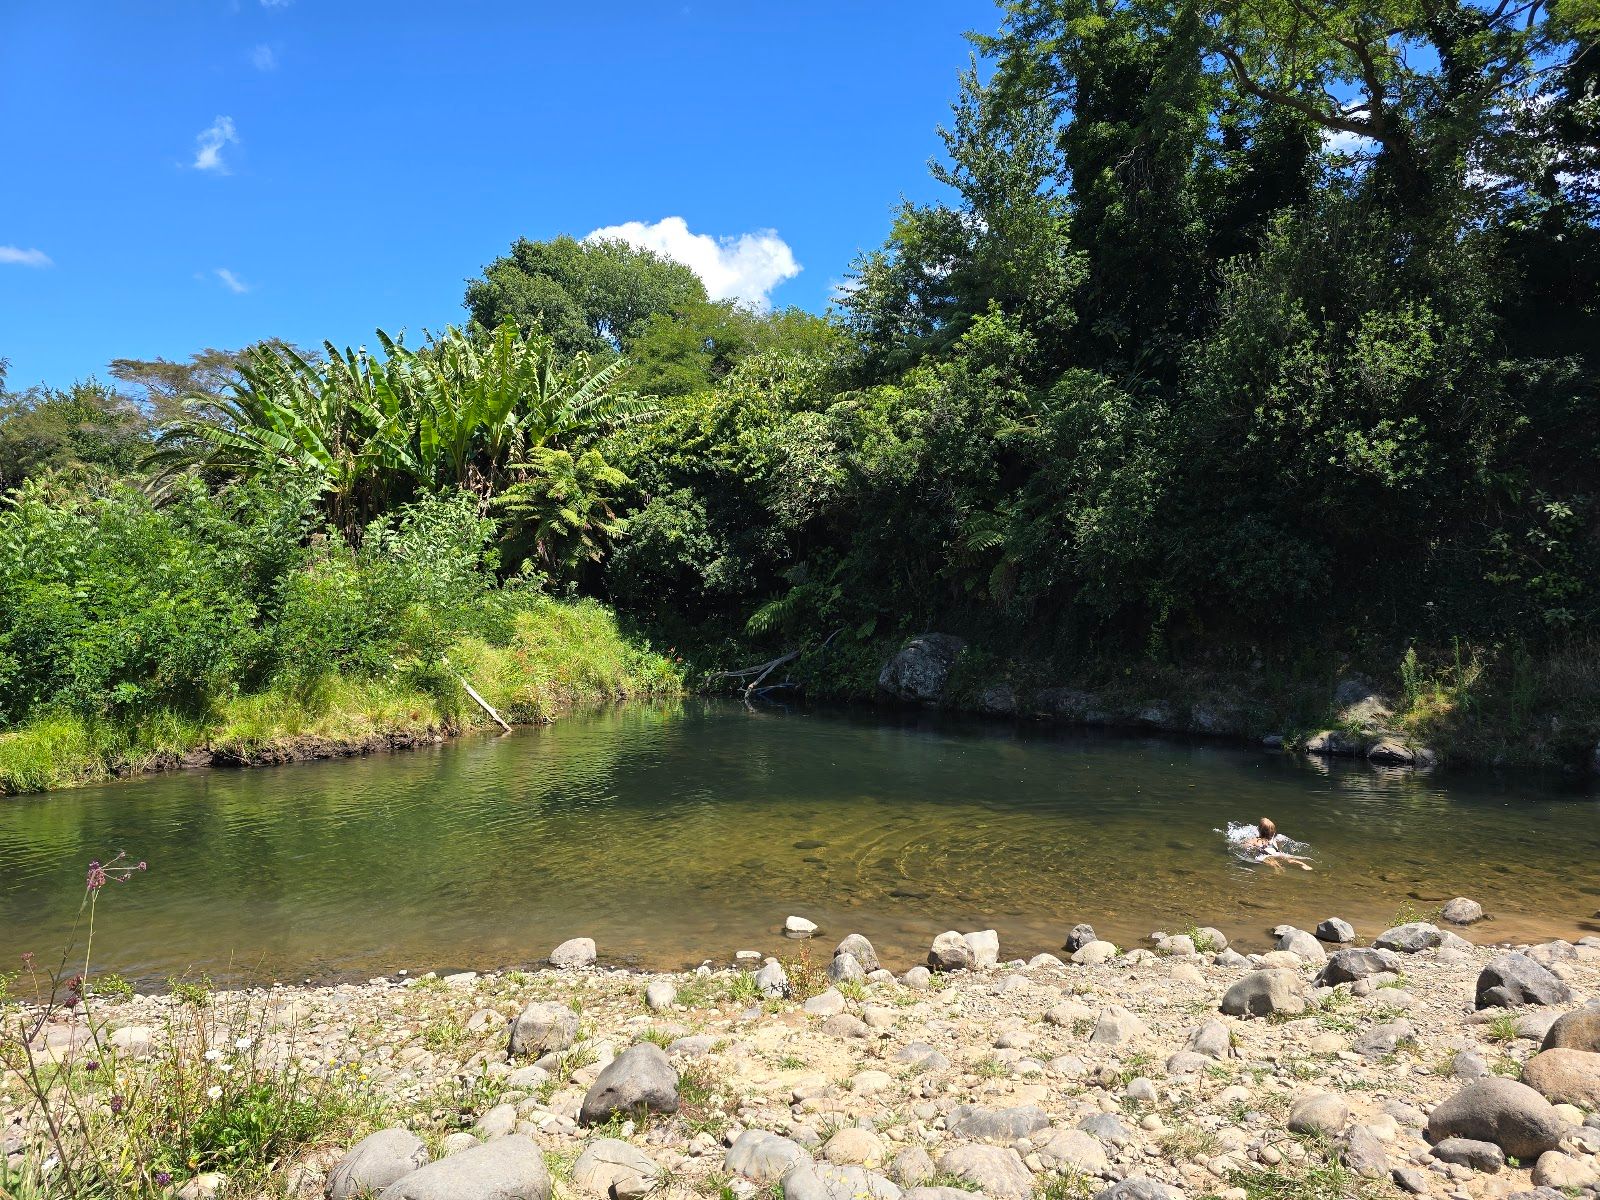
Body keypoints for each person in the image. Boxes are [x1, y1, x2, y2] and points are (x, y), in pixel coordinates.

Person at [1243, 817, 1313, 871]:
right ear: (1273, 832)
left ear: (1259, 829)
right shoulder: (1274, 840)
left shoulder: (1255, 840)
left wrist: (1244, 844)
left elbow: (1246, 847)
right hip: (1276, 853)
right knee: (1289, 859)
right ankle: (1303, 864)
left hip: (1265, 855)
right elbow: (1280, 847)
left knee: (1270, 862)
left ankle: (1277, 869)